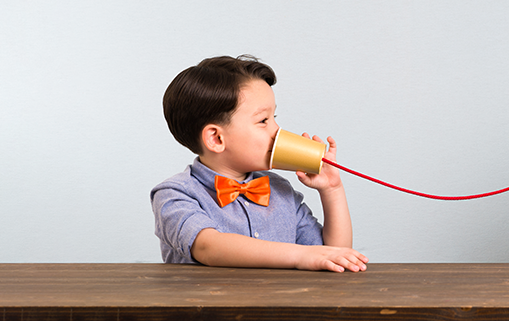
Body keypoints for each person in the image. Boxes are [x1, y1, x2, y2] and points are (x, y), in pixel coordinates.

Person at [151, 55, 367, 272]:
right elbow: (208, 247)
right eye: (263, 121)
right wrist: (300, 255)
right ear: (216, 139)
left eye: (274, 117)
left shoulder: (280, 190)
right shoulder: (174, 194)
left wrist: (332, 189)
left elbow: (335, 256)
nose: (278, 132)